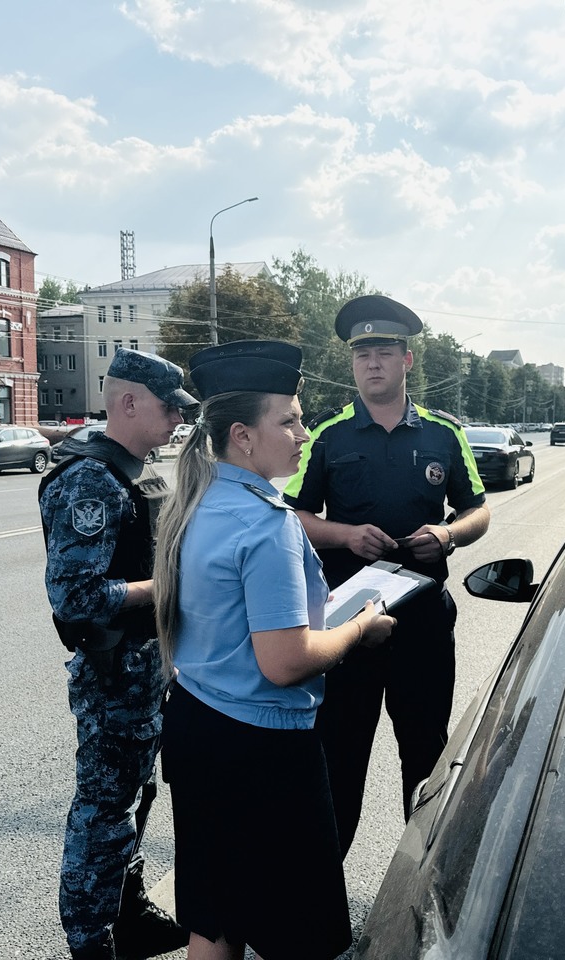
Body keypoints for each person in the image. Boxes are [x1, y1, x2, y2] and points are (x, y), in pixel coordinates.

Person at [153, 339, 396, 960]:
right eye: (288, 419)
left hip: (198, 726)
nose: (301, 431)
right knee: (304, 936)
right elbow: (284, 662)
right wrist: (359, 629)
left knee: (215, 918)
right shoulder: (267, 523)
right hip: (261, 750)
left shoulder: (197, 501)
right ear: (243, 435)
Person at [282, 294, 492, 855]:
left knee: (425, 753)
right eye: (362, 353)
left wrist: (446, 535)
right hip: (349, 621)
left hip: (422, 619)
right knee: (339, 754)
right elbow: (292, 515)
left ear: (407, 361)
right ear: (353, 363)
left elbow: (479, 510)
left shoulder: (444, 435)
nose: (372, 362)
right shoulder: (327, 436)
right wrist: (345, 535)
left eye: (384, 351)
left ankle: (422, 878)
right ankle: (322, 894)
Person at [38, 348, 195, 960]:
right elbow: (76, 596)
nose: (176, 423)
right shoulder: (90, 478)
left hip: (147, 666)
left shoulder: (132, 469)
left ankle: (126, 915)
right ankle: (89, 938)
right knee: (104, 809)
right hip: (113, 673)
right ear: (128, 403)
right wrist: (172, 586)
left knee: (135, 798)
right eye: (168, 409)